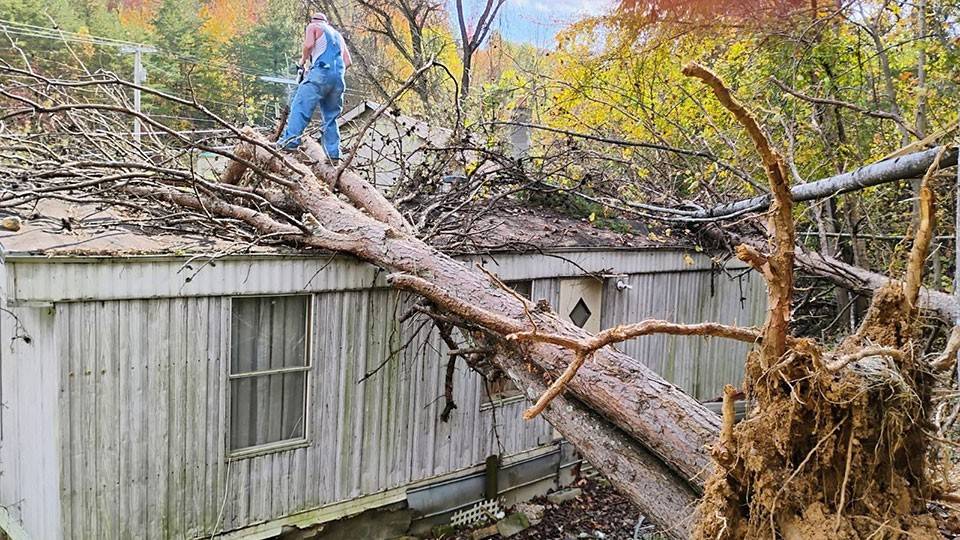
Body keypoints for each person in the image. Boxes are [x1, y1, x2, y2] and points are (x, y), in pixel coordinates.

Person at [278, 12, 352, 163]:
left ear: (313, 20)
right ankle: (333, 155)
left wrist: (303, 62)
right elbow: (348, 61)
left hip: (320, 74)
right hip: (338, 79)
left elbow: (309, 45)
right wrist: (334, 73)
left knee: (300, 106)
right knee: (331, 117)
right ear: (327, 21)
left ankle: (289, 142)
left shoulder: (313, 26)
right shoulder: (338, 35)